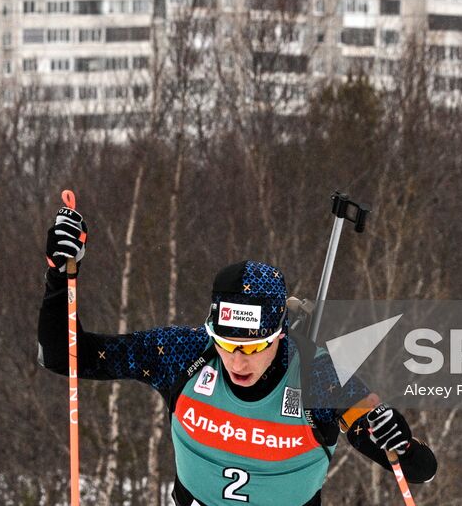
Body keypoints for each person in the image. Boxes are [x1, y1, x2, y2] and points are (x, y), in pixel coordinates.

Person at [37, 204, 437, 505]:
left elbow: (418, 469)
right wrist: (60, 273)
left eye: (253, 347)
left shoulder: (318, 375)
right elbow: (63, 356)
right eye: (226, 344)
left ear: (280, 333)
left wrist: (398, 439)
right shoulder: (184, 353)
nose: (237, 361)